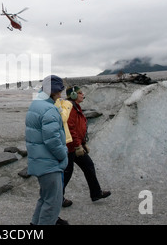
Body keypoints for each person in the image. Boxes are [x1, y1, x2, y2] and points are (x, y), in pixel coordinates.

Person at [25, 75, 69, 225]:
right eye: (60, 90)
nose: (61, 93)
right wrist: (63, 155)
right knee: (53, 202)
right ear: (55, 91)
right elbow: (52, 140)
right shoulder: (49, 109)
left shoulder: (36, 104)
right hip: (49, 163)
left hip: (39, 161)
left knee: (45, 198)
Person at [63, 85, 111, 204]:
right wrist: (78, 146)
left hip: (77, 145)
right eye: (80, 93)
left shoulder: (76, 107)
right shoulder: (70, 108)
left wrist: (83, 143)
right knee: (67, 173)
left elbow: (79, 129)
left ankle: (96, 193)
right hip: (70, 147)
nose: (83, 94)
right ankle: (57, 198)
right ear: (73, 95)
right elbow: (70, 128)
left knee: (88, 166)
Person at [54, 97, 74, 207]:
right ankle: (58, 200)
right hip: (65, 143)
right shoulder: (58, 103)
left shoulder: (56, 102)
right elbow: (63, 118)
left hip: (65, 142)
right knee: (63, 173)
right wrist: (67, 104)